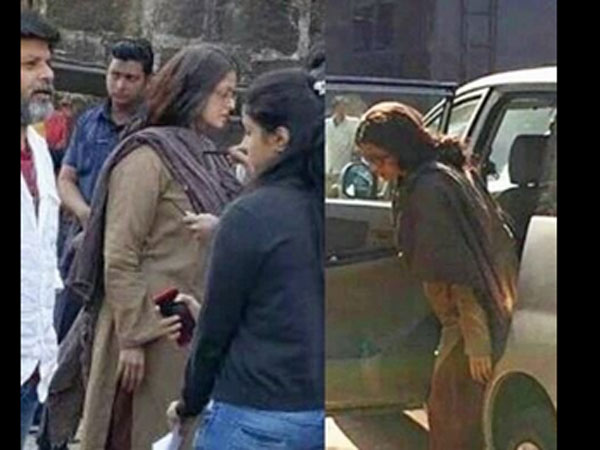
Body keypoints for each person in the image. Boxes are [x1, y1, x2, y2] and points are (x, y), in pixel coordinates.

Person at [42, 44, 242, 450]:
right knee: (133, 434)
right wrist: (132, 337)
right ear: (195, 91)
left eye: (233, 94)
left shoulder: (207, 157)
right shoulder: (146, 157)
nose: (231, 105)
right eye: (223, 93)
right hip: (144, 331)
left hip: (186, 329)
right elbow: (120, 253)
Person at [166, 68, 325, 449]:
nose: (243, 144)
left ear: (280, 139)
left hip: (253, 413)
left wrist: (189, 404)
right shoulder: (322, 207)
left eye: (250, 133)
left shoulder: (250, 214)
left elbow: (215, 332)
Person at [354, 102, 518, 450]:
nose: (376, 170)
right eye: (369, 162)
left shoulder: (430, 189)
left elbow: (459, 275)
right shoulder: (442, 174)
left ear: (401, 148)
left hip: (467, 326)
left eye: (380, 159)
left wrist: (476, 344)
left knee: (452, 423)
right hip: (470, 320)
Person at [54, 38, 154, 343]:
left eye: (130, 78)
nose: (120, 85)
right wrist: (87, 214)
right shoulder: (88, 122)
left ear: (147, 81)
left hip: (128, 249)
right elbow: (66, 179)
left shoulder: (153, 130)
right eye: (115, 75)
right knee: (63, 327)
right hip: (80, 242)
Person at [20, 9, 62, 450]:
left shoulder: (38, 149)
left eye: (47, 62)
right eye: (30, 64)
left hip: (31, 368)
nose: (47, 74)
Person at [325, 96, 360, 196]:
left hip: (344, 170)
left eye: (344, 107)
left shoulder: (353, 123)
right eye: (340, 107)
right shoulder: (326, 124)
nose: (342, 110)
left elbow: (356, 145)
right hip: (328, 169)